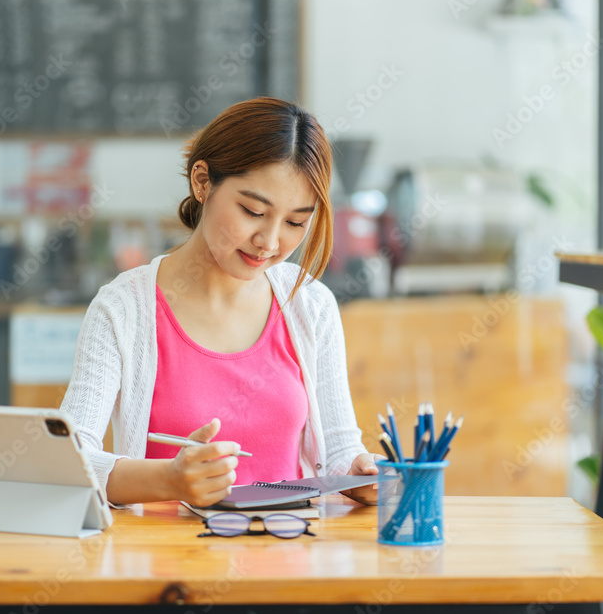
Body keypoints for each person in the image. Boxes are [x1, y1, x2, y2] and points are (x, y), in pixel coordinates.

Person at [59, 96, 380, 509]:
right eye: (252, 211)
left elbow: (339, 450)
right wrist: (170, 480)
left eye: (296, 222)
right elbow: (69, 461)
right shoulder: (123, 309)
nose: (269, 241)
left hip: (289, 560)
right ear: (202, 181)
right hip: (167, 568)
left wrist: (357, 473)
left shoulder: (310, 306)